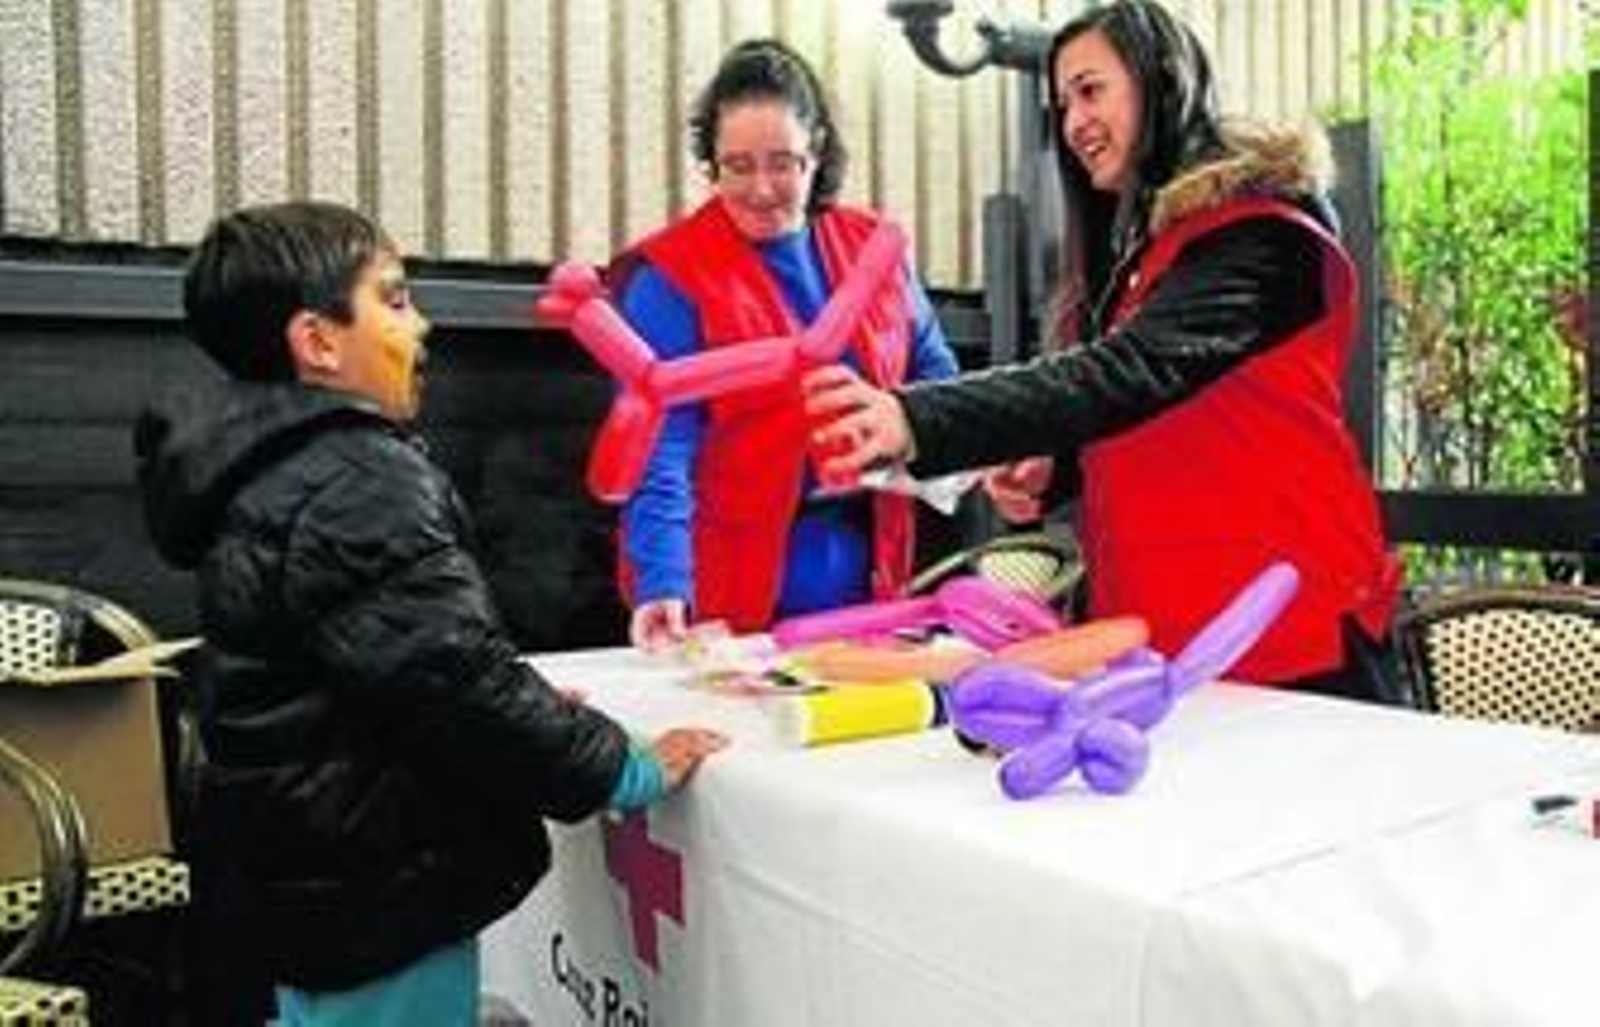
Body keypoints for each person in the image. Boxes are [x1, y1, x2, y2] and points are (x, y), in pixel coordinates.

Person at [135, 201, 727, 1025]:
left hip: (311, 879)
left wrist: (529, 709)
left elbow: (390, 670)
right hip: (378, 882)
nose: (424, 323)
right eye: (397, 297)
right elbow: (459, 681)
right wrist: (622, 764)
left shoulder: (265, 470)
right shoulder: (357, 479)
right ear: (319, 341)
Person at [804, 0, 1404, 703]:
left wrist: (916, 418)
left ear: (1162, 80)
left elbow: (1133, 371)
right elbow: (1168, 416)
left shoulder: (1264, 235)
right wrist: (1057, 471)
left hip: (1294, 637)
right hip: (1173, 638)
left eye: (1091, 91)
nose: (1074, 123)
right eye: (1062, 105)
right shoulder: (1148, 256)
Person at [612, 38, 961, 650]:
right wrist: (663, 580)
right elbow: (659, 445)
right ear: (710, 162)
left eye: (783, 162)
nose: (762, 188)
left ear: (817, 152)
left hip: (874, 575)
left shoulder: (876, 250)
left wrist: (957, 455)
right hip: (727, 591)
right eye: (737, 166)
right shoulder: (670, 277)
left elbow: (935, 373)